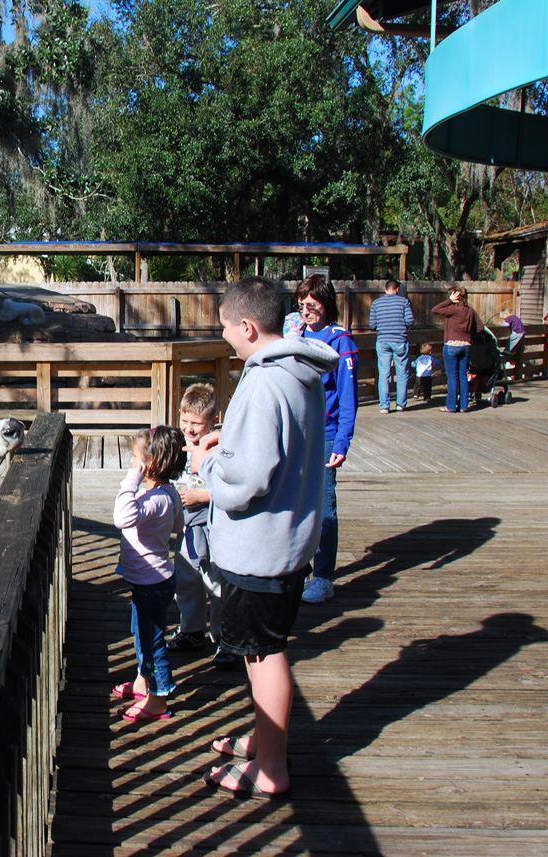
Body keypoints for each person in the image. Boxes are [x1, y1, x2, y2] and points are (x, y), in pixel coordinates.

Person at [189, 276, 335, 800]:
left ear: (247, 326)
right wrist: (229, 437)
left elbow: (247, 481)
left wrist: (208, 466)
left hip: (261, 551)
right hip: (290, 541)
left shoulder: (261, 382)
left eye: (225, 327)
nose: (224, 335)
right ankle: (263, 740)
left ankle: (272, 768)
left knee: (263, 655)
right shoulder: (298, 372)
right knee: (262, 649)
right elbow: (279, 440)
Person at [109, 425, 186, 723]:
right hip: (155, 579)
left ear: (148, 465)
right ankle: (143, 682)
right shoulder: (166, 494)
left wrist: (132, 481)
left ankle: (158, 699)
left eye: (134, 458)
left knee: (152, 642)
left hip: (151, 583)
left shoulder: (154, 500)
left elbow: (121, 517)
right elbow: (178, 524)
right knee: (141, 634)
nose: (131, 462)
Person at [166, 384, 238, 670]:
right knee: (185, 580)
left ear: (212, 420)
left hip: (213, 526)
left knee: (216, 583)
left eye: (196, 423)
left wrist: (201, 496)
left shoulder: (218, 448)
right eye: (185, 421)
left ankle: (223, 638)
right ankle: (191, 630)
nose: (190, 429)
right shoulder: (179, 445)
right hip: (186, 527)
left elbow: (227, 487)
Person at [296, 274, 357, 605]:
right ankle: (300, 567)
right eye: (302, 304)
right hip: (299, 433)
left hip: (327, 434)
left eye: (312, 304)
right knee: (297, 502)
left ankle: (323, 576)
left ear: (325, 304)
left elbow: (348, 398)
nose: (306, 310)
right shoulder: (298, 335)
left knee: (324, 507)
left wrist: (342, 442)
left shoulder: (340, 340)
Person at [368, 279, 414, 413]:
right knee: (402, 373)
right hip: (400, 340)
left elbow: (372, 324)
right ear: (397, 289)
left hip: (383, 340)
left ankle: (384, 405)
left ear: (385, 289)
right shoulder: (404, 302)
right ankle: (400, 404)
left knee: (384, 374)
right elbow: (410, 320)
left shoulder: (376, 303)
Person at [432, 285, 478, 413]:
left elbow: (435, 309)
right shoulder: (470, 311)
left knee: (452, 377)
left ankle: (451, 406)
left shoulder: (453, 309)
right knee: (463, 376)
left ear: (455, 296)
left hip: (451, 346)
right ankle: (464, 406)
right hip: (465, 346)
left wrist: (449, 301)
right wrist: (469, 336)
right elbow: (479, 327)